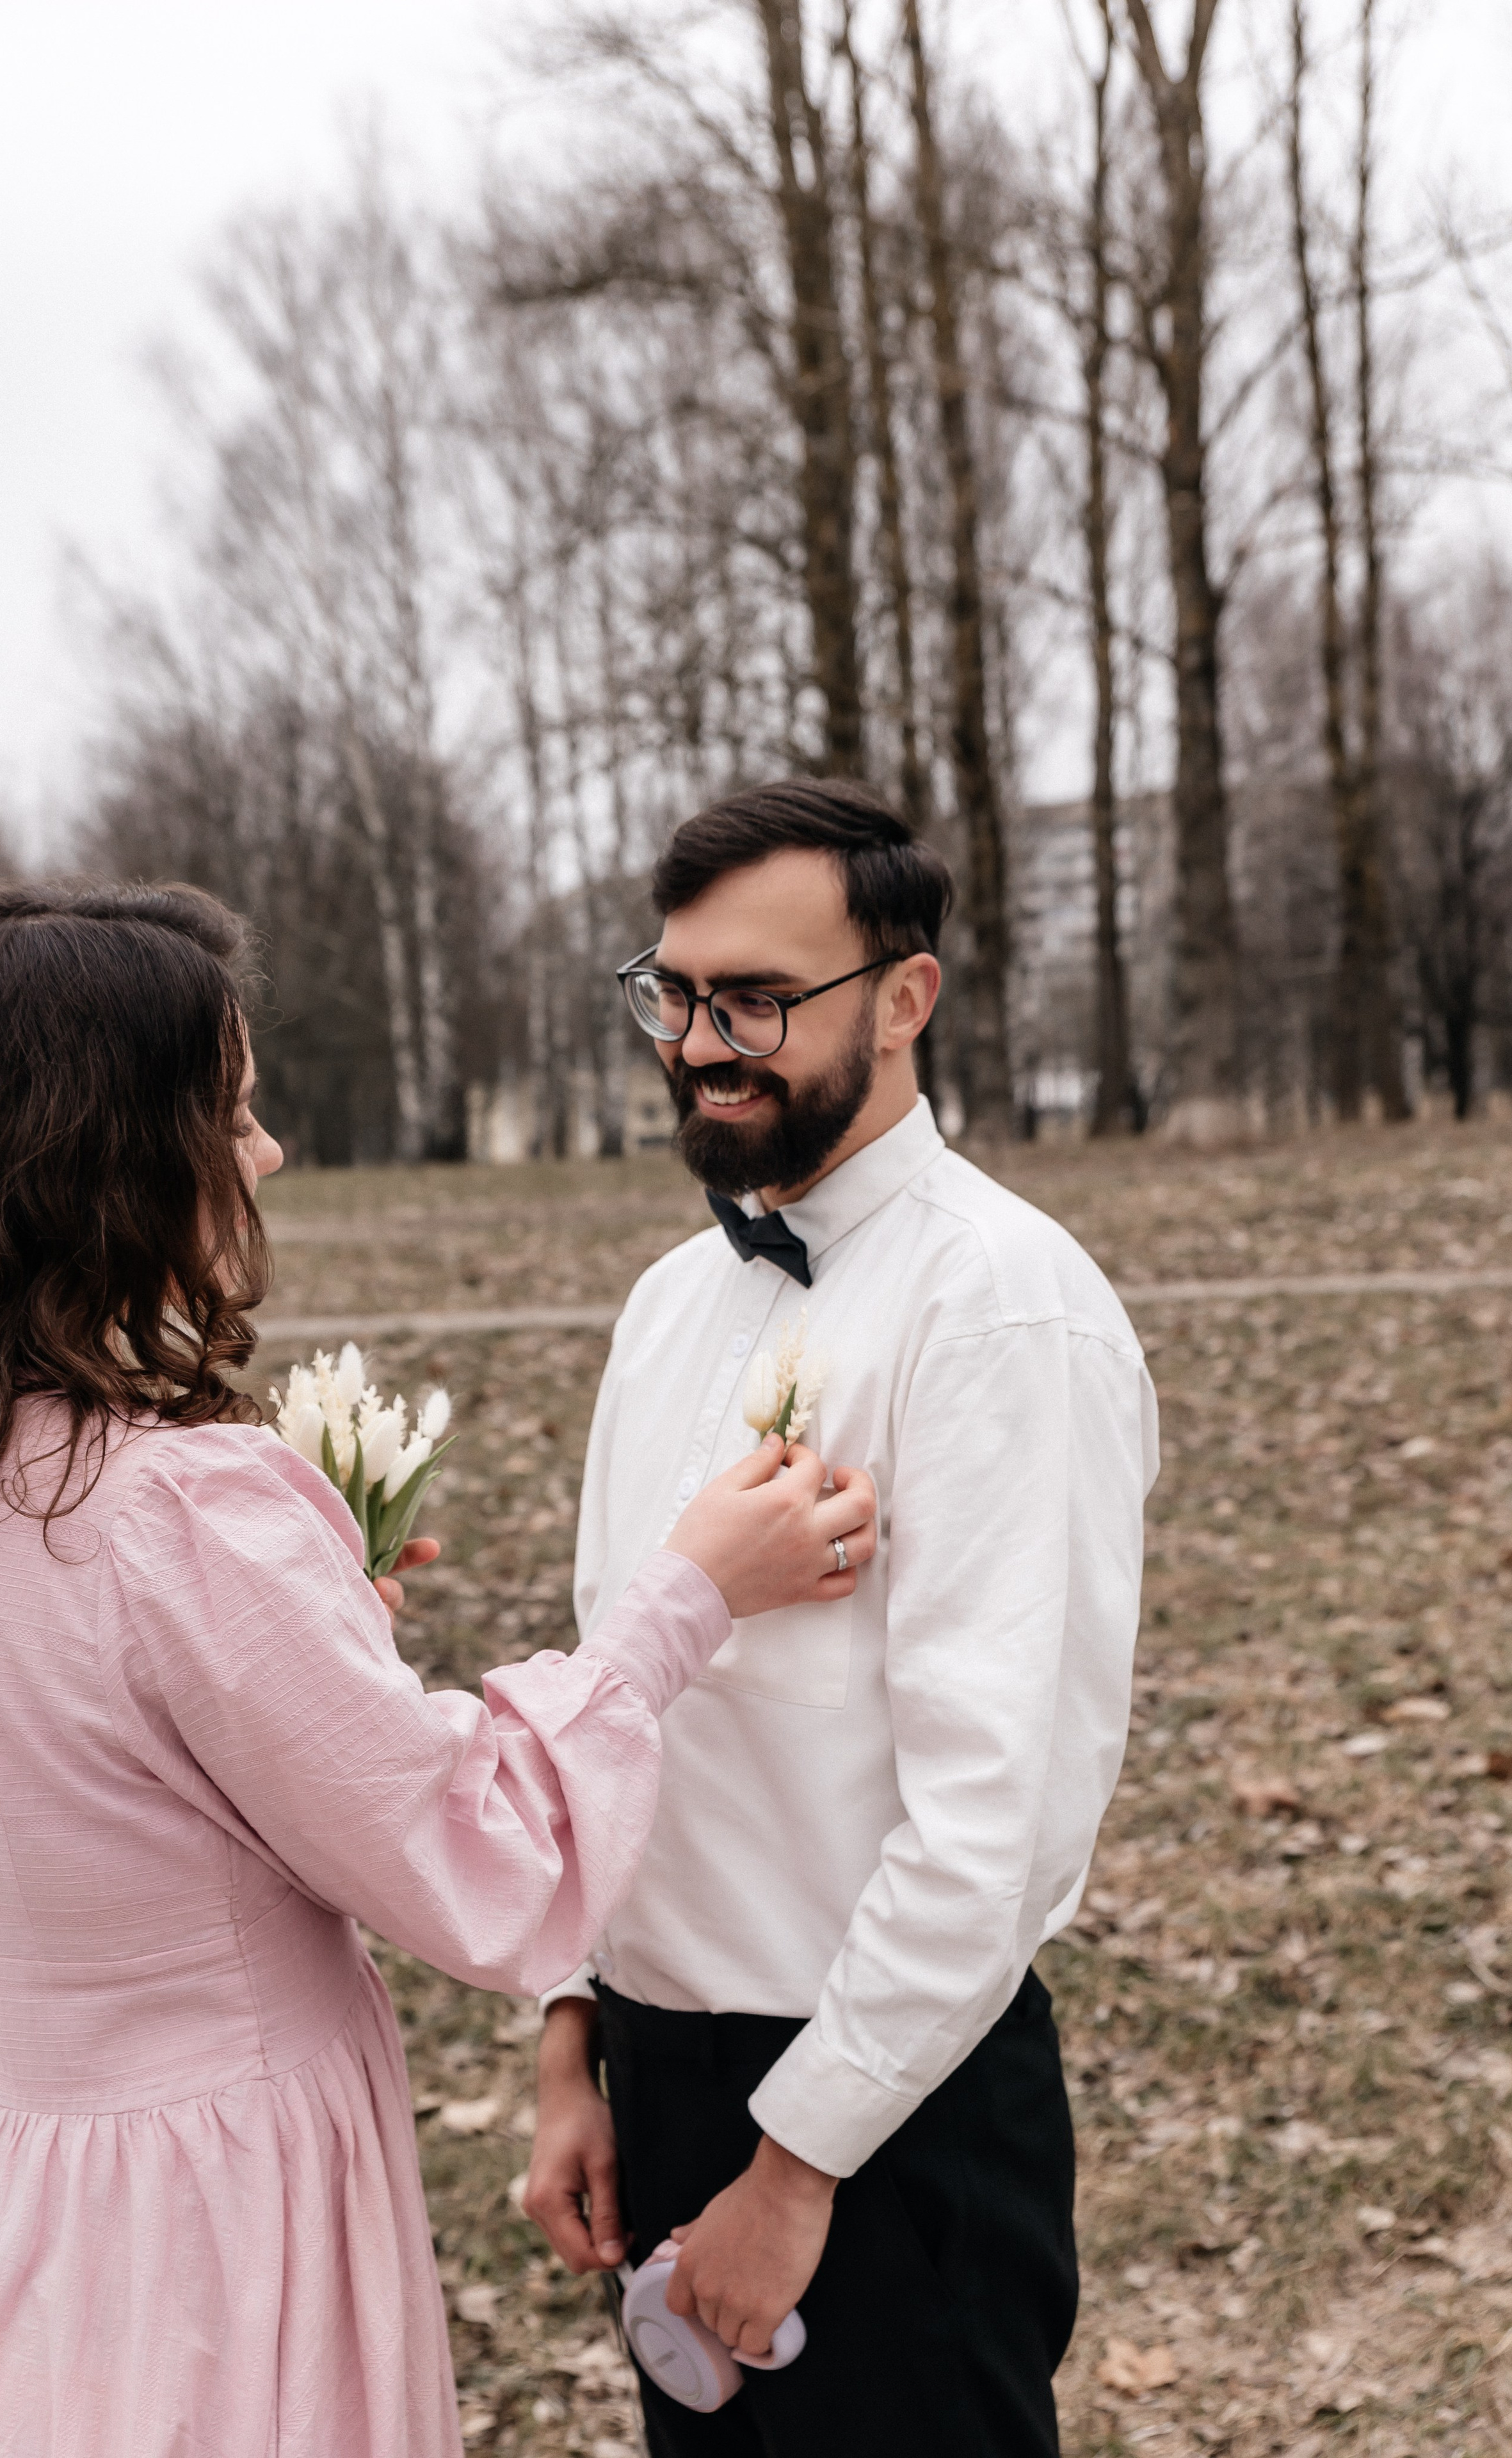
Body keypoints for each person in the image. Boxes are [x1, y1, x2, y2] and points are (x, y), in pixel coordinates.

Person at [0, 881, 878, 2458]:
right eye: (236, 1110)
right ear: (115, 1153)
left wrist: (308, 1639)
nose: (264, 1154)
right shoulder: (180, 1513)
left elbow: (74, 1769)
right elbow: (473, 1853)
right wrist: (685, 1597)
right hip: (190, 2235)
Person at [526, 781, 1159, 2457]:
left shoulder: (1009, 1309)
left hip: (889, 2123)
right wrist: (574, 2042)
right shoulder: (668, 1305)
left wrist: (798, 2160)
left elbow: (998, 1822)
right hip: (662, 2089)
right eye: (674, 995)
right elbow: (618, 1691)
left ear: (904, 999)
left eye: (756, 1001)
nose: (702, 1043)